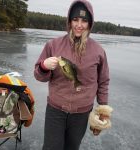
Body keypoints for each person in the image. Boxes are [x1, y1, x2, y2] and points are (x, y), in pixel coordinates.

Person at [34, 0, 110, 150]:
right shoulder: (53, 45)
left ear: (90, 23)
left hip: (81, 114)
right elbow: (39, 76)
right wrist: (44, 66)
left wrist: (103, 110)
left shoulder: (98, 51)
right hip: (55, 111)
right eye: (75, 19)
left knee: (72, 147)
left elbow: (103, 81)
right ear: (69, 21)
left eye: (84, 21)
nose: (79, 25)